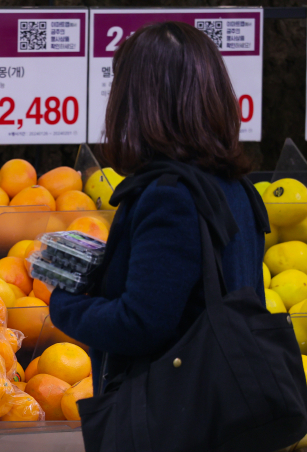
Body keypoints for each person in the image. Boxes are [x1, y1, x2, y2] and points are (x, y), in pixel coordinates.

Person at [49, 20, 269, 409]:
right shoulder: (238, 188)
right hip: (224, 409)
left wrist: (65, 305)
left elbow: (141, 323)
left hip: (171, 418)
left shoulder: (170, 197)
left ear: (136, 103)